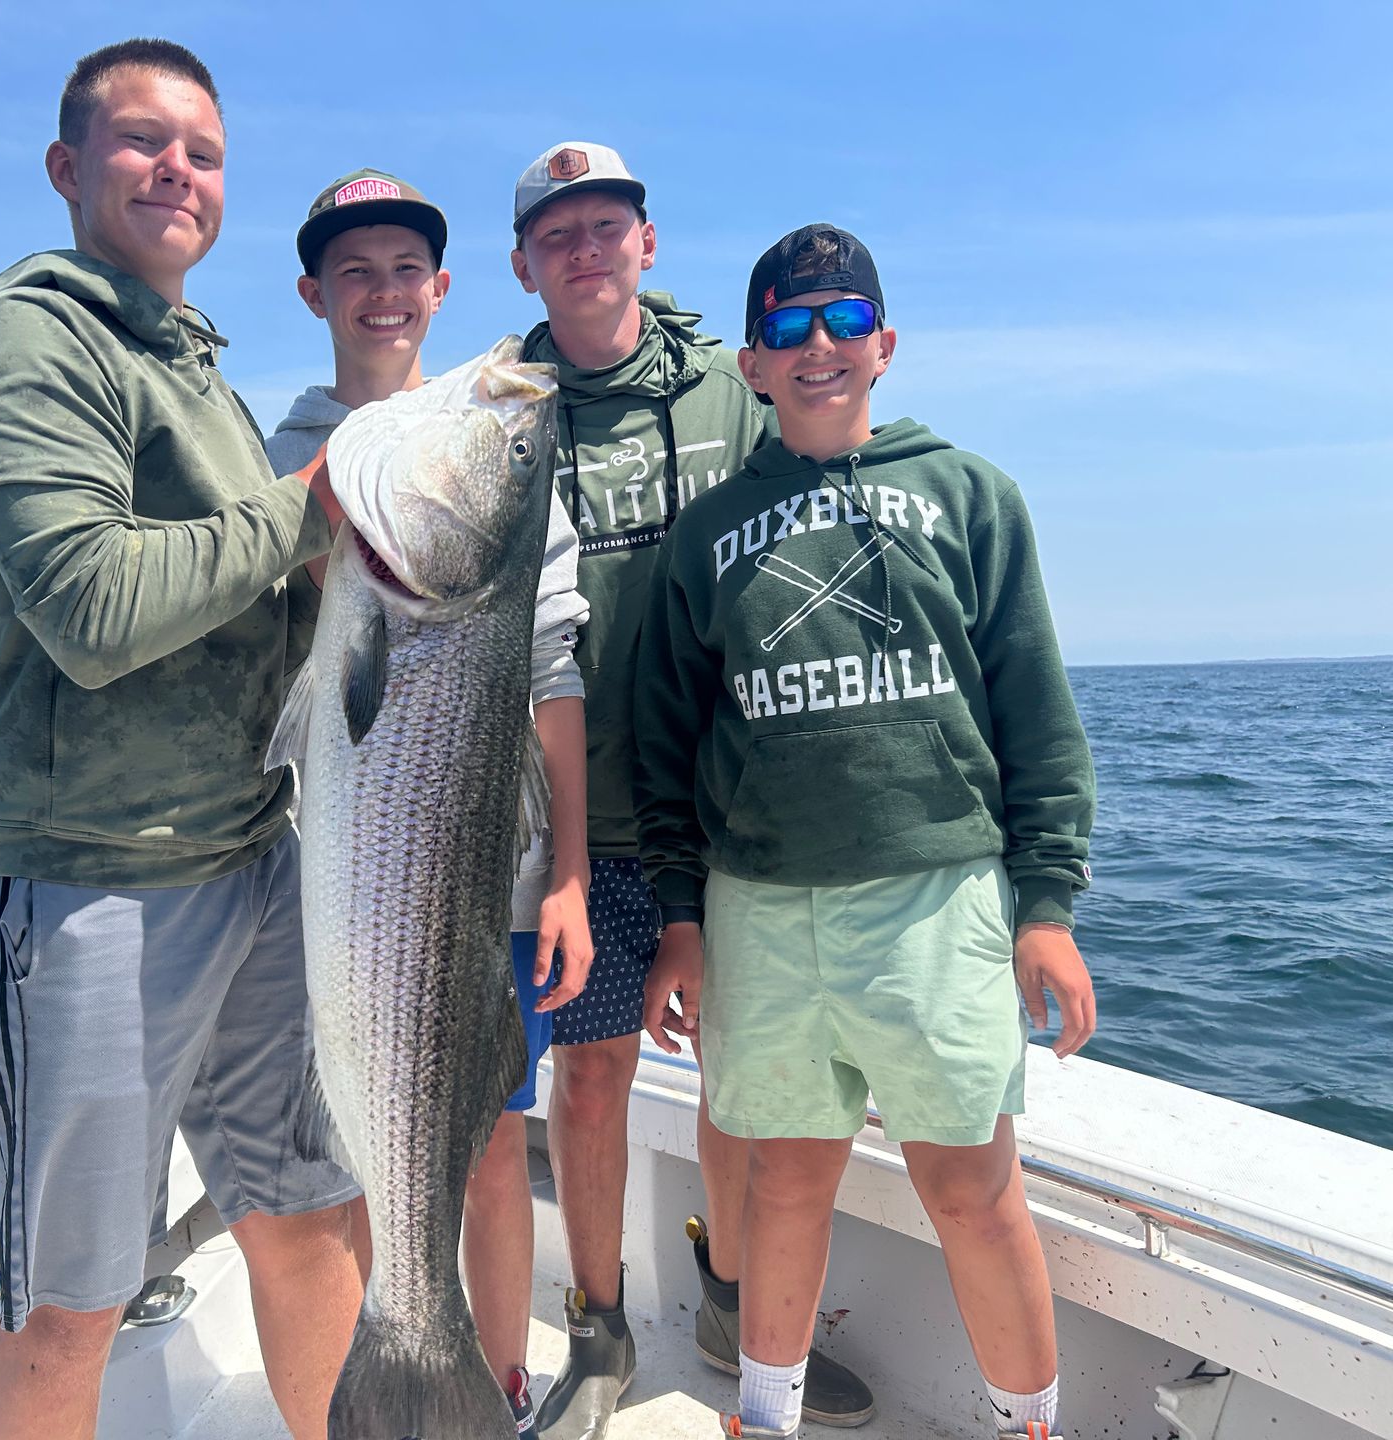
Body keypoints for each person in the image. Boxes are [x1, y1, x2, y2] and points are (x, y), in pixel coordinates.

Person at [0, 39, 363, 1440]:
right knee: (73, 1303)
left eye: (206, 151)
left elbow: (265, 606)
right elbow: (93, 605)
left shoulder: (201, 376)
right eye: (141, 141)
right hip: (93, 879)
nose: (179, 168)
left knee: (310, 1215)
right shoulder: (31, 339)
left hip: (253, 858)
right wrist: (316, 507)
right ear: (67, 169)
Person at [633, 223, 1097, 1440]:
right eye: (789, 328)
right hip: (760, 912)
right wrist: (681, 922)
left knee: (972, 1189)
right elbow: (668, 751)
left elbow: (1035, 710)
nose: (820, 346)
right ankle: (764, 1416)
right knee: (785, 1178)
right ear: (754, 365)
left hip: (939, 900)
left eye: (843, 323)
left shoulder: (971, 494)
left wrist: (1045, 908)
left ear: (886, 345)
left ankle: (1026, 1426)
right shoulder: (703, 539)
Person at [510, 145, 875, 1437]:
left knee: (738, 1083)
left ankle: (728, 1302)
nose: (586, 249)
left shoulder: (732, 387)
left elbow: (838, 491)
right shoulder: (502, 410)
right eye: (559, 234)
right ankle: (598, 1333)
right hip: (579, 818)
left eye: (607, 226)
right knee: (594, 1080)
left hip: (728, 818)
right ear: (524, 263)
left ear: (647, 245)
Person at [263, 167, 596, 1434]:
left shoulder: (489, 459)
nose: (386, 291)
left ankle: (490, 1382)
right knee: (356, 1138)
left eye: (408, 269)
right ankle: (398, 1353)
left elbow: (555, 664)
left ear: (442, 286)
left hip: (482, 865)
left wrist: (568, 871)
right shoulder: (280, 451)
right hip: (342, 886)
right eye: (357, 270)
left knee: (492, 1139)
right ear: (315, 293)